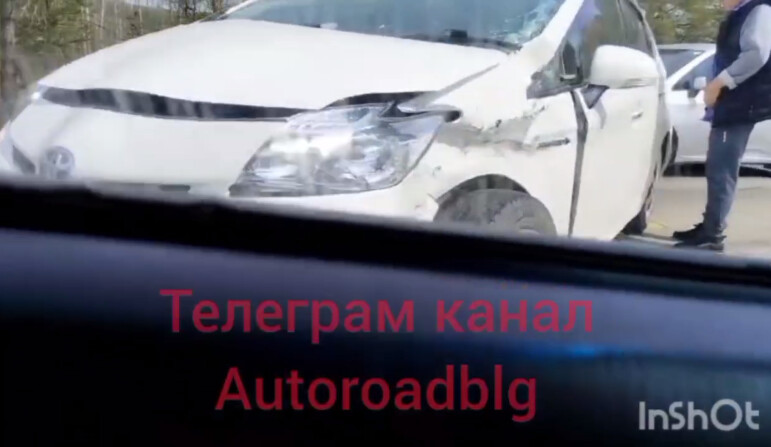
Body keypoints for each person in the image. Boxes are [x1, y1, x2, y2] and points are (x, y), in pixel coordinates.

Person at [672, 0, 771, 252]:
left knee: (722, 170)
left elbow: (757, 54)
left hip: (740, 105)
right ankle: (710, 225)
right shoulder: (743, 13)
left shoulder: (759, 11)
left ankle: (712, 233)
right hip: (735, 104)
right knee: (718, 168)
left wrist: (720, 83)